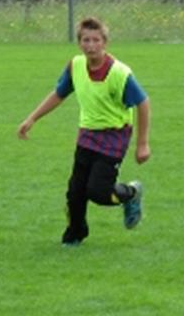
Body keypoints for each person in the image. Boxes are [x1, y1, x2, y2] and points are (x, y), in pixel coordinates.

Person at [17, 16, 150, 246]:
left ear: (104, 42)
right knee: (75, 192)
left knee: (98, 191)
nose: (90, 45)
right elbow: (59, 93)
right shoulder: (76, 65)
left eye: (95, 40)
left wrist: (142, 144)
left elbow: (143, 103)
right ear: (79, 43)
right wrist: (32, 118)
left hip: (114, 137)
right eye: (85, 40)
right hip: (87, 135)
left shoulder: (119, 73)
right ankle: (75, 235)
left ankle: (130, 194)